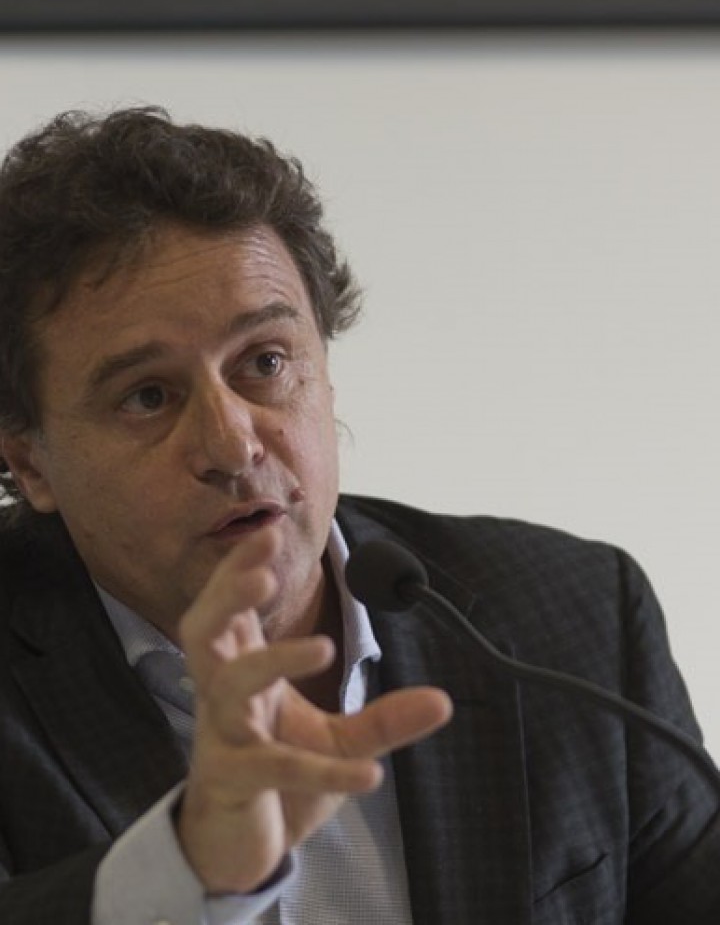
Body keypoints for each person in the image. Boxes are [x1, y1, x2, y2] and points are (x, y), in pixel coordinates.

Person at [0, 108, 716, 925]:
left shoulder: (572, 621)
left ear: (326, 372)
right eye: (149, 396)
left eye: (266, 361)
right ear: (31, 463)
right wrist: (187, 869)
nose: (232, 444)